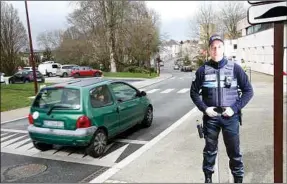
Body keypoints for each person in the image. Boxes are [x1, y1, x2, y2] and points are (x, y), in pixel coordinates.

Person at [190, 34, 254, 183]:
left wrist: (234, 108)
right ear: (209, 50)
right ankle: (208, 179)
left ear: (223, 48)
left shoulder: (235, 68)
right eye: (213, 47)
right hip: (211, 118)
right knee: (209, 152)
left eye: (219, 47)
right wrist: (205, 109)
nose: (216, 50)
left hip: (230, 117)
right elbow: (193, 93)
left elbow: (248, 91)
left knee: (234, 152)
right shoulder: (202, 71)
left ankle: (238, 180)